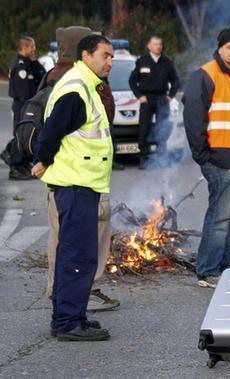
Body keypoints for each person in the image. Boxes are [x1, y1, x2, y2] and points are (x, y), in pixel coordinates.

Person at [31, 34, 115, 341]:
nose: (110, 62)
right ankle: (67, 322)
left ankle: (73, 315)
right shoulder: (77, 88)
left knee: (78, 254)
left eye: (112, 57)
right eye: (105, 55)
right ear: (86, 55)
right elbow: (51, 132)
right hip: (75, 184)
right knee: (77, 256)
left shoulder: (86, 85)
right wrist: (42, 160)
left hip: (83, 184)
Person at [183, 28, 230, 288]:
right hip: (218, 159)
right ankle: (208, 271)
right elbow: (193, 118)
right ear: (220, 49)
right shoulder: (206, 75)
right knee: (219, 217)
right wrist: (203, 157)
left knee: (228, 217)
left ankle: (222, 267)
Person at [129, 36, 180, 169]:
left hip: (162, 99)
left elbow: (175, 81)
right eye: (155, 44)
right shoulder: (142, 61)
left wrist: (170, 96)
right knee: (144, 127)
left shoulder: (167, 62)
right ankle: (143, 158)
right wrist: (139, 96)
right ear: (149, 46)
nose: (158, 47)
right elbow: (132, 81)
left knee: (162, 127)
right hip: (146, 99)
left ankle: (161, 156)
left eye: (160, 44)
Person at [1, 36, 46, 180]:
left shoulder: (28, 63)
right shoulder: (20, 64)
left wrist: (34, 61)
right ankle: (15, 167)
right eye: (32, 47)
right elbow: (23, 92)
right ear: (24, 47)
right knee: (21, 135)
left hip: (28, 106)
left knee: (27, 136)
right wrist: (28, 108)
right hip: (22, 106)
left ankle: (21, 162)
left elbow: (42, 75)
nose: (34, 49)